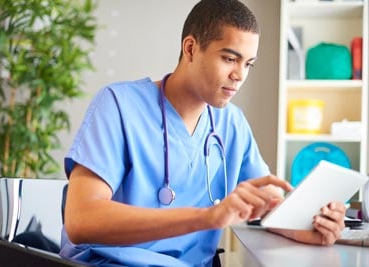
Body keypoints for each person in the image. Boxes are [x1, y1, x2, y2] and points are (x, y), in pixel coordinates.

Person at [60, 0, 346, 266]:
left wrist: (306, 227)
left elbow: (270, 204)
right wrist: (207, 217)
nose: (240, 75)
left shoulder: (231, 123)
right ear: (190, 49)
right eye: (230, 59)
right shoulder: (118, 105)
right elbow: (82, 219)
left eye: (248, 64)